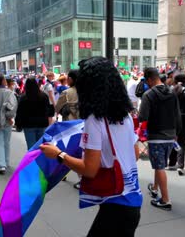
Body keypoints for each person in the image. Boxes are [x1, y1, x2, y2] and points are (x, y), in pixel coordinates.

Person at [39, 57, 142, 236]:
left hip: (116, 205)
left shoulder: (95, 120)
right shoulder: (124, 116)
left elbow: (89, 170)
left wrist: (58, 154)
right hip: (132, 201)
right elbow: (135, 154)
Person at [139, 67, 181, 211]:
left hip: (156, 135)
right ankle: (155, 188)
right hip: (171, 135)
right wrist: (176, 133)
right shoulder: (172, 92)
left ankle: (165, 199)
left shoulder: (148, 95)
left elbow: (143, 116)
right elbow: (177, 115)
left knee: (159, 166)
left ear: (149, 79)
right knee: (160, 164)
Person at [168, 72, 185, 175]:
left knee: (173, 139)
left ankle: (171, 162)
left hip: (172, 117)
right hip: (183, 117)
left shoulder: (172, 89)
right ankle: (180, 165)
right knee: (181, 141)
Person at [15, 77, 49, 148]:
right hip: (41, 124)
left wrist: (18, 124)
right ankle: (40, 159)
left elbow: (19, 112)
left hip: (28, 125)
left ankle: (32, 159)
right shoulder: (44, 96)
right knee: (42, 147)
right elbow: (47, 110)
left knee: (31, 147)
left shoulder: (23, 98)